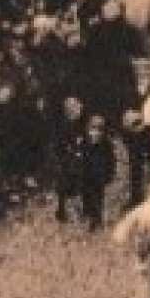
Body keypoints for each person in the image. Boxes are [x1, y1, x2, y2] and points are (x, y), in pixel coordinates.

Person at [52, 96, 88, 224]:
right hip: (66, 162)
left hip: (76, 159)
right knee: (66, 185)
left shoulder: (81, 124)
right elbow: (59, 147)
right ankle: (63, 210)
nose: (78, 110)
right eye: (74, 109)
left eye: (78, 107)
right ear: (68, 112)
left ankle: (79, 208)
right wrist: (72, 152)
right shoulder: (63, 127)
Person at [81, 115, 117, 230]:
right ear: (88, 129)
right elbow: (82, 158)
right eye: (93, 128)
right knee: (87, 196)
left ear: (102, 131)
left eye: (98, 129)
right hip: (87, 175)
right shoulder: (85, 142)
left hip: (99, 176)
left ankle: (96, 220)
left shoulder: (106, 144)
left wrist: (110, 174)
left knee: (98, 198)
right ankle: (88, 214)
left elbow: (111, 161)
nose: (95, 132)